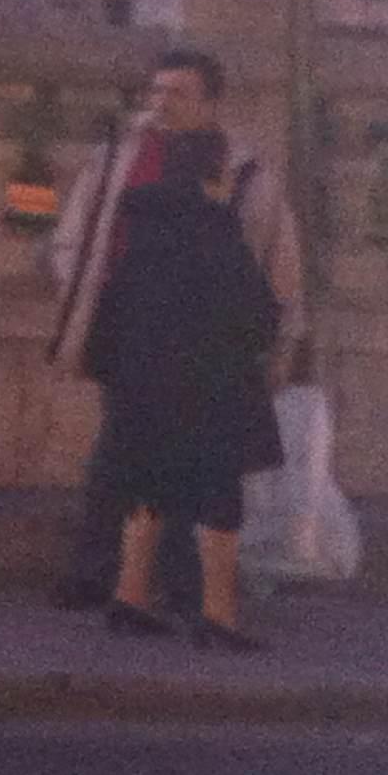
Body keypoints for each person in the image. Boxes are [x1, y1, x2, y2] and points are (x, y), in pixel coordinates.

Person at [43, 47, 302, 610]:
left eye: (178, 93)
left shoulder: (244, 168)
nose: (162, 103)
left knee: (197, 458)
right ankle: (96, 573)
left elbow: (275, 258)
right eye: (156, 91)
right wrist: (83, 289)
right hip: (133, 324)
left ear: (211, 102)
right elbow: (77, 225)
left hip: (206, 337)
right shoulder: (118, 153)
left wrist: (278, 338)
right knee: (118, 451)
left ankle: (185, 584)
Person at [83, 126, 286, 647]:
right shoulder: (215, 230)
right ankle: (218, 616)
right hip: (209, 385)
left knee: (147, 490)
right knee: (219, 501)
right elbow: (257, 316)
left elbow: (114, 307)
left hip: (141, 384)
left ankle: (129, 598)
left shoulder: (142, 228)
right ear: (212, 175)